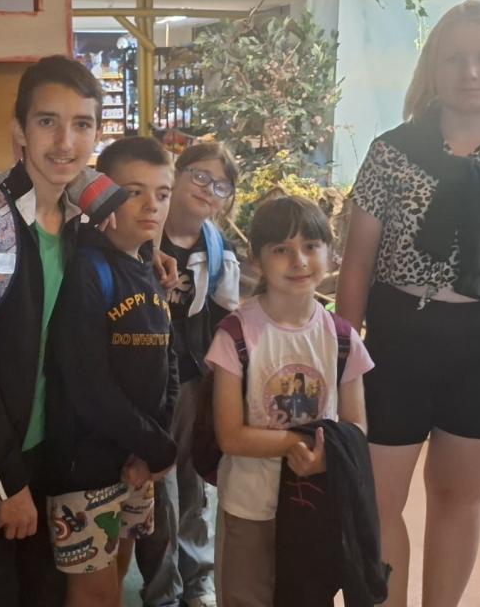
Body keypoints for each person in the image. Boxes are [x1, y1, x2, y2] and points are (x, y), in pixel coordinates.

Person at [336, 0, 480, 607]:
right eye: (454, 58)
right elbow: (357, 264)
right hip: (396, 346)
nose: (470, 72)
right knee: (377, 501)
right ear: (433, 68)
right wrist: (341, 360)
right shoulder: (393, 151)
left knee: (457, 501)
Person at [0, 55, 130, 607]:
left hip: (60, 455)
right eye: (48, 121)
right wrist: (5, 483)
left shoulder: (82, 223)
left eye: (82, 124)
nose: (65, 142)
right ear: (20, 130)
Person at [207, 196, 374, 607]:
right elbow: (230, 436)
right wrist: (300, 444)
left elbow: (356, 425)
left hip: (314, 503)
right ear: (257, 261)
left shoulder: (342, 338)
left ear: (331, 254)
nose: (299, 260)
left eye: (311, 246)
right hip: (249, 504)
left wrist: (323, 459)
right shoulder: (235, 335)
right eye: (281, 249)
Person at [42, 136, 180, 607]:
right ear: (103, 195)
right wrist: (157, 446)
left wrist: (154, 444)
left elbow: (169, 359)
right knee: (94, 594)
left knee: (119, 573)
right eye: (133, 192)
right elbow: (88, 384)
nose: (152, 205)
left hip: (137, 460)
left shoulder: (149, 267)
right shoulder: (88, 269)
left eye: (162, 193)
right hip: (89, 464)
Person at [136, 142, 241, 607]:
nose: (207, 190)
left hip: (192, 381)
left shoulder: (218, 252)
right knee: (157, 487)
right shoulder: (139, 232)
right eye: (199, 176)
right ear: (175, 175)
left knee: (192, 480)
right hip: (143, 379)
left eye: (220, 186)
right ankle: (163, 589)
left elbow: (224, 322)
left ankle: (198, 580)